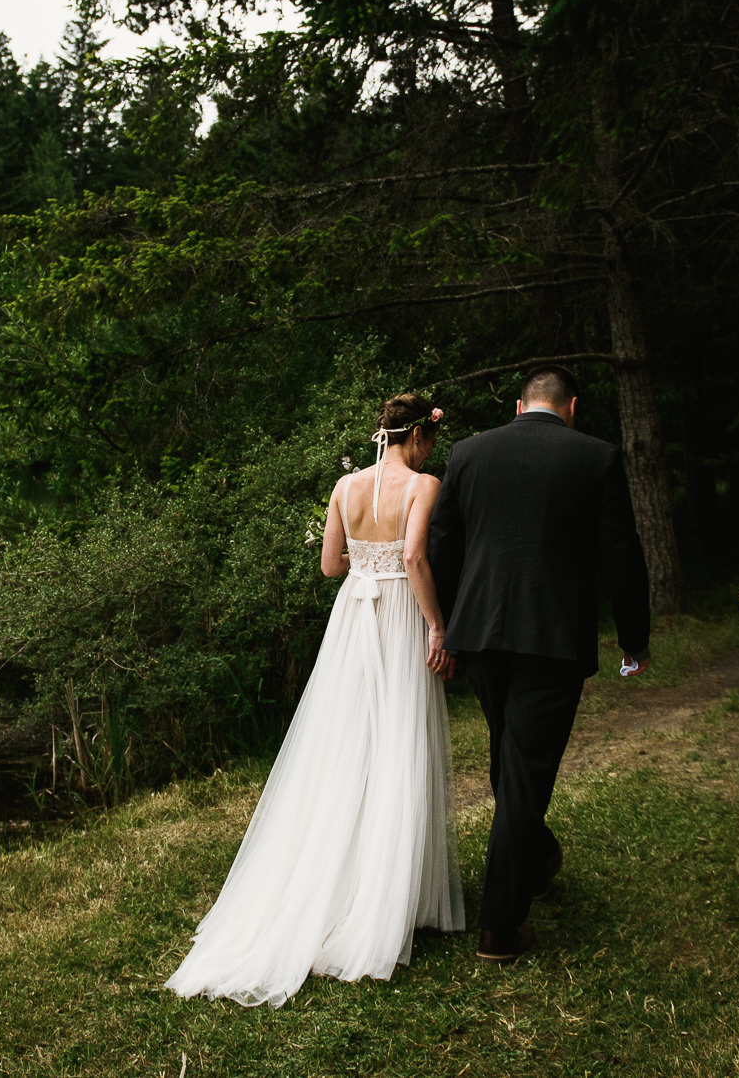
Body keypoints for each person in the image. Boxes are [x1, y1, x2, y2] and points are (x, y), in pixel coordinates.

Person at [164, 393, 465, 1008]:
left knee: (346, 743)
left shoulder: (344, 485)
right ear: (419, 437)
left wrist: (366, 563)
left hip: (353, 617)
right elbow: (413, 558)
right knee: (400, 742)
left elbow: (331, 566)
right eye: (431, 437)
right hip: (400, 617)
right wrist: (437, 626)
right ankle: (389, 897)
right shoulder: (425, 483)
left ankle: (342, 881)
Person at [427, 364, 651, 965]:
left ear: (520, 406)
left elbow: (442, 547)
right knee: (523, 771)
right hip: (549, 638)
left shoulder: (469, 453)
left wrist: (443, 627)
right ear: (571, 406)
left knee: (511, 756)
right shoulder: (595, 457)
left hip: (478, 636)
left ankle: (539, 854)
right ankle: (500, 926)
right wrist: (634, 637)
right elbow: (621, 554)